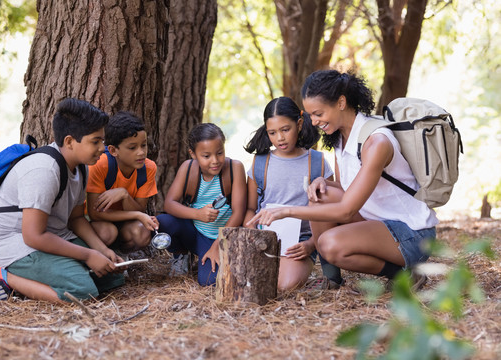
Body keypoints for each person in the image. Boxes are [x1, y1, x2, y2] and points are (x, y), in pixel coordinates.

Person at [247, 70, 438, 288]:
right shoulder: (341, 138)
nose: (314, 121)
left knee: (329, 244)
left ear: (341, 102)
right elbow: (348, 188)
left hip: (411, 234)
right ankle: (332, 280)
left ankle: (403, 277)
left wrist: (286, 211)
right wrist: (324, 183)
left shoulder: (376, 143)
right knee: (320, 195)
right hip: (380, 223)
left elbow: (346, 209)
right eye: (310, 115)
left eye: (318, 113)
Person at [0, 98, 125, 303]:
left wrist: (102, 250)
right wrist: (88, 256)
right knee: (83, 292)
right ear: (70, 142)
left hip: (52, 234)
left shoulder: (80, 167)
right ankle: (1, 275)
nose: (103, 148)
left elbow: (76, 219)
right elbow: (33, 236)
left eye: (103, 140)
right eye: (95, 141)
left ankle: (53, 274)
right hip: (17, 242)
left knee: (113, 276)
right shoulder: (44, 170)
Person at [243, 96, 339, 291]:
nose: (280, 138)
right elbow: (251, 207)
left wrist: (311, 244)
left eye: (285, 130)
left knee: (285, 286)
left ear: (300, 124)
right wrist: (251, 232)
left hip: (300, 243)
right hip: (265, 237)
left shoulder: (317, 162)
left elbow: (333, 212)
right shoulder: (260, 163)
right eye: (272, 132)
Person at [157, 123, 247, 286]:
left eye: (219, 153)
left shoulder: (235, 168)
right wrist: (197, 214)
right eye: (206, 156)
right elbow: (169, 204)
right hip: (194, 232)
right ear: (193, 154)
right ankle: (181, 254)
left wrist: (217, 245)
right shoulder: (188, 168)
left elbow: (239, 213)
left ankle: (212, 254)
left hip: (220, 236)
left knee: (208, 281)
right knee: (163, 222)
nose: (215, 161)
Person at [86, 111, 158, 253]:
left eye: (143, 145)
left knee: (142, 233)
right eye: (132, 147)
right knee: (108, 232)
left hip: (122, 222)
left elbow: (139, 210)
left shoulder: (148, 168)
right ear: (113, 150)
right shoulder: (100, 165)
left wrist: (124, 195)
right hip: (94, 222)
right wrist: (137, 215)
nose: (141, 152)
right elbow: (95, 214)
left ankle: (119, 256)